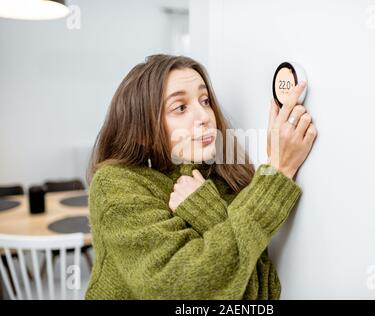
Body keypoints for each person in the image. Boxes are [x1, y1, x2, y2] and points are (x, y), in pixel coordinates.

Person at [84, 54, 317, 299]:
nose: (205, 116)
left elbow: (260, 294)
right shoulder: (115, 186)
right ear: (142, 131)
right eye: (180, 108)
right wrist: (277, 173)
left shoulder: (224, 177)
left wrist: (208, 211)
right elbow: (183, 289)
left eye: (205, 101)